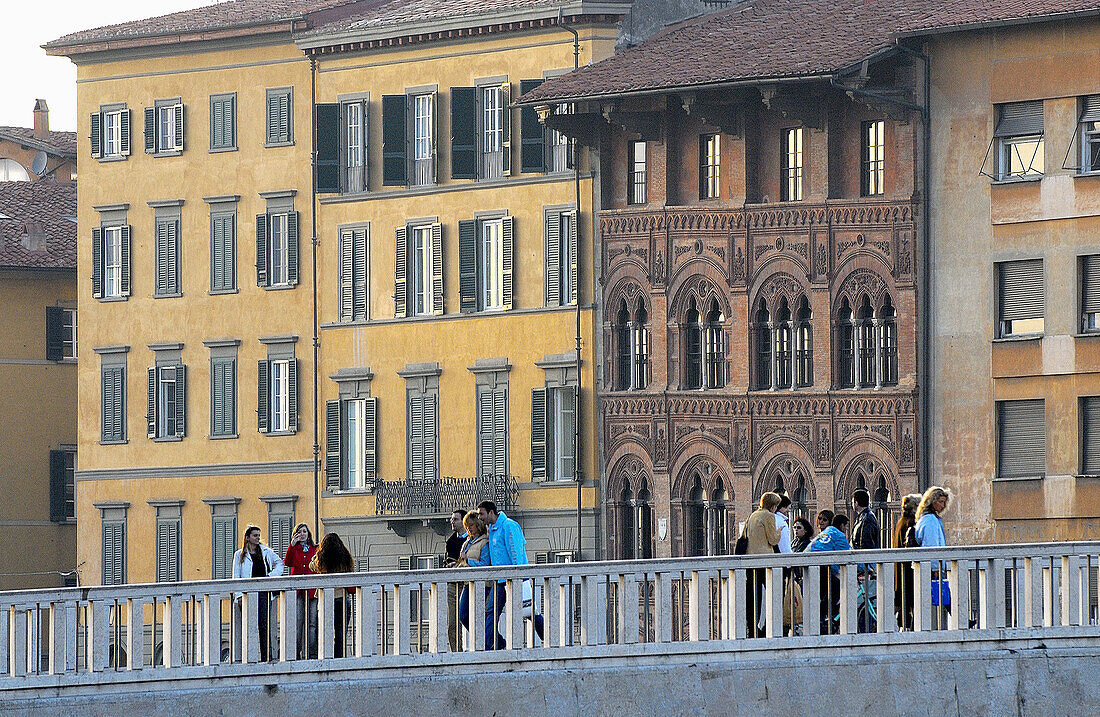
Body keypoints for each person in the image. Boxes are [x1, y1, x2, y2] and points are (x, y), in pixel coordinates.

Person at [477, 500, 544, 649]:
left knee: (529, 612)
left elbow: (517, 553)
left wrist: (519, 577)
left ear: (491, 512)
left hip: (515, 579)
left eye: (481, 514)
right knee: (491, 613)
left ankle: (548, 638)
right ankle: (490, 645)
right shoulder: (493, 529)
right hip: (500, 581)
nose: (479, 517)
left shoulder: (509, 526)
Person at [232, 525, 285, 661]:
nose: (257, 538)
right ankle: (249, 657)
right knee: (249, 626)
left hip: (264, 593)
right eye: (255, 535)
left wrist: (271, 576)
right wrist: (238, 595)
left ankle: (265, 657)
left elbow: (280, 563)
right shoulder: (239, 555)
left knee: (264, 625)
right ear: (248, 537)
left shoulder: (266, 551)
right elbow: (236, 576)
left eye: (258, 535)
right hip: (248, 594)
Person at [309, 533, 355, 658]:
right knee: (341, 631)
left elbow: (312, 566)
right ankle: (339, 656)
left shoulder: (321, 559)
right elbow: (351, 569)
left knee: (324, 630)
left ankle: (325, 655)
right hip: (342, 598)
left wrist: (317, 555)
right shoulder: (345, 558)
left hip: (325, 600)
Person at [743, 492, 782, 637]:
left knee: (754, 596)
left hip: (750, 561)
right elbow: (772, 539)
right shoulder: (769, 516)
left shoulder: (753, 515)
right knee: (775, 593)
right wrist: (779, 532)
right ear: (773, 506)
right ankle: (770, 627)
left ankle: (752, 628)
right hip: (765, 561)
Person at [809, 514, 852, 634]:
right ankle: (823, 618)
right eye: (846, 526)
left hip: (810, 563)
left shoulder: (827, 531)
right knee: (836, 588)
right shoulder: (838, 535)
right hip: (820, 565)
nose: (846, 529)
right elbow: (849, 553)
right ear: (842, 525)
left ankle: (825, 619)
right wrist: (870, 567)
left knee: (826, 592)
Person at [915, 486, 952, 627]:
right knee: (941, 596)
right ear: (932, 501)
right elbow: (932, 545)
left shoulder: (929, 518)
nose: (942, 506)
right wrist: (936, 567)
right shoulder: (930, 520)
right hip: (931, 567)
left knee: (931, 598)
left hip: (930, 566)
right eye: (940, 502)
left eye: (944, 502)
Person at [456, 510, 491, 647]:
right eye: (467, 525)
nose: (468, 528)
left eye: (471, 525)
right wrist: (457, 563)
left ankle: (490, 641)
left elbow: (485, 564)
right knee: (464, 615)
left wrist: (468, 561)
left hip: (482, 585)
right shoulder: (467, 542)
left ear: (478, 525)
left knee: (479, 616)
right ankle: (485, 638)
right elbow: (463, 561)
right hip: (467, 583)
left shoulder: (484, 542)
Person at [283, 523, 318, 659]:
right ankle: (296, 653)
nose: (302, 534)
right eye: (299, 532)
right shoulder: (294, 549)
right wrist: (292, 545)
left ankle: (311, 653)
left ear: (308, 534)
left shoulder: (314, 549)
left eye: (304, 531)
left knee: (312, 623)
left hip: (312, 591)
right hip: (298, 591)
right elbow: (288, 562)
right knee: (297, 623)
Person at [892, 493, 922, 630]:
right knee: (911, 599)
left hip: (899, 567)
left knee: (902, 599)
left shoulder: (900, 522)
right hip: (908, 568)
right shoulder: (911, 523)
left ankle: (902, 626)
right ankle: (909, 628)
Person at [444, 509, 467, 651]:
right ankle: (456, 651)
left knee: (467, 618)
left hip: (465, 584)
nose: (452, 521)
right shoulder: (450, 541)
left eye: (455, 519)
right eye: (452, 519)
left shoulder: (472, 540)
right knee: (452, 623)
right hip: (452, 583)